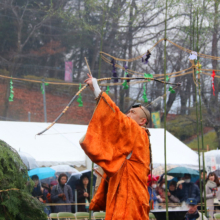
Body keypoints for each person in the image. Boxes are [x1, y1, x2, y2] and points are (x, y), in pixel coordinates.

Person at [80, 74, 151, 219]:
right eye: (129, 111)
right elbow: (113, 127)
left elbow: (117, 118)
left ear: (142, 121)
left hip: (130, 193)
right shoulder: (133, 136)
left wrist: (98, 91)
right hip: (125, 191)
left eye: (133, 112)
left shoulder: (139, 133)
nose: (128, 114)